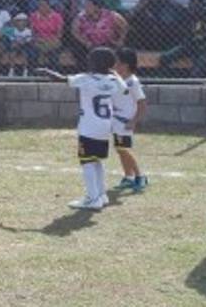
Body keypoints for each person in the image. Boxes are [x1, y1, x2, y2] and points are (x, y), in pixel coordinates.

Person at [38, 47, 126, 211]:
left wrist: (46, 71)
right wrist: (114, 73)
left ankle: (93, 198)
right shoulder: (113, 80)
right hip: (105, 126)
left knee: (86, 161)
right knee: (97, 160)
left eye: (91, 60)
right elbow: (124, 90)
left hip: (89, 127)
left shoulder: (86, 78)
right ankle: (101, 195)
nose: (88, 62)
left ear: (95, 63)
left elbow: (62, 79)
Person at [112, 48, 148, 193]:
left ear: (125, 65)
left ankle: (140, 176)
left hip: (125, 122)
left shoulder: (133, 82)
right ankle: (128, 176)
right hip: (116, 120)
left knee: (123, 148)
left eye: (117, 63)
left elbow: (142, 103)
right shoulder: (116, 79)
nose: (114, 65)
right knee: (120, 149)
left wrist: (134, 121)